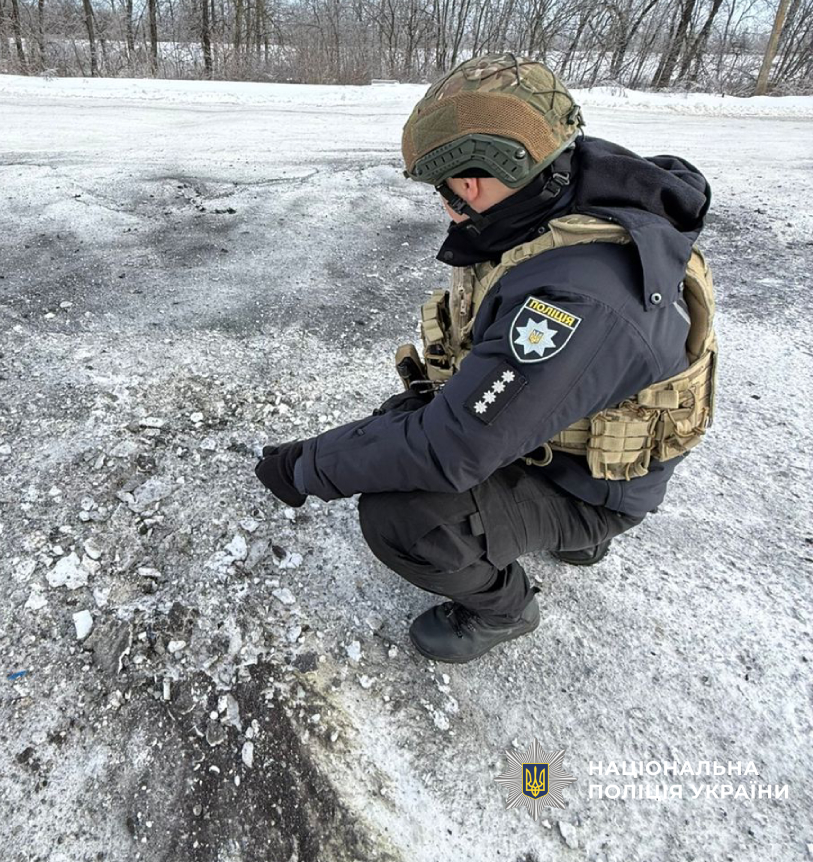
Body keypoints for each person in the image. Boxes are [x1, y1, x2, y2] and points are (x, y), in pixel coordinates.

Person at [254, 52, 717, 665]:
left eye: (443, 188)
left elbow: (449, 449)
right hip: (579, 432)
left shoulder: (574, 298)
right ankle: (561, 534)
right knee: (400, 420)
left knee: (403, 515)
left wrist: (306, 466)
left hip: (591, 487)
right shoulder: (567, 190)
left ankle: (505, 608)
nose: (445, 203)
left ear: (470, 181)